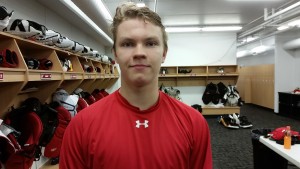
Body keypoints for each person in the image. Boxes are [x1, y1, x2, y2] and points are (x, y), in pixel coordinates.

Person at [59, 2, 213, 169]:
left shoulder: (194, 123)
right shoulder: (80, 127)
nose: (139, 53)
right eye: (128, 44)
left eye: (150, 43)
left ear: (164, 53)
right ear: (115, 54)